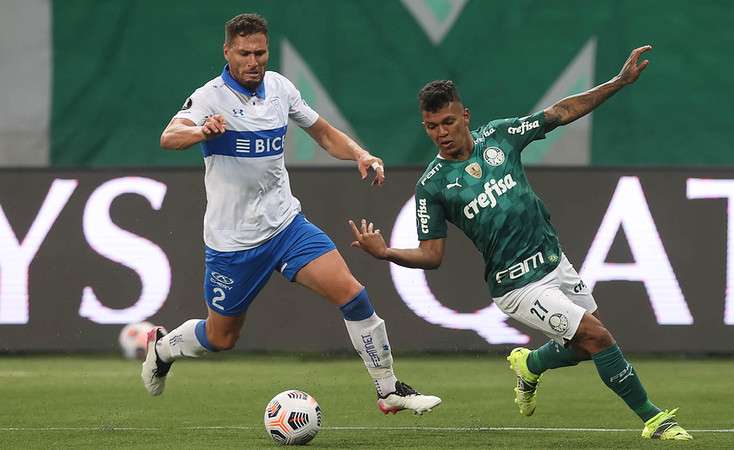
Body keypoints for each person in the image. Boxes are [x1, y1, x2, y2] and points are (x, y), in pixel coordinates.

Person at [349, 45, 692, 439]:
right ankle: (655, 420)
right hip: (517, 285)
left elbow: (560, 113)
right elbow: (432, 256)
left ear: (465, 116)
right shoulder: (433, 185)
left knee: (585, 347)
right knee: (598, 335)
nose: (441, 133)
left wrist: (617, 82)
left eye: (447, 122)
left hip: (553, 260)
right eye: (431, 126)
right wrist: (387, 252)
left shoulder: (500, 136)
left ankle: (531, 365)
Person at [144, 13, 441, 416]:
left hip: (287, 226)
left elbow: (321, 132)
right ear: (227, 51)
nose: (254, 61)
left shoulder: (280, 88)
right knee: (221, 336)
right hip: (234, 243)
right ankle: (164, 347)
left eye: (261, 52)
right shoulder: (210, 97)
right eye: (245, 53)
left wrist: (360, 153)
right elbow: (168, 137)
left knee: (352, 294)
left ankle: (388, 391)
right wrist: (201, 132)